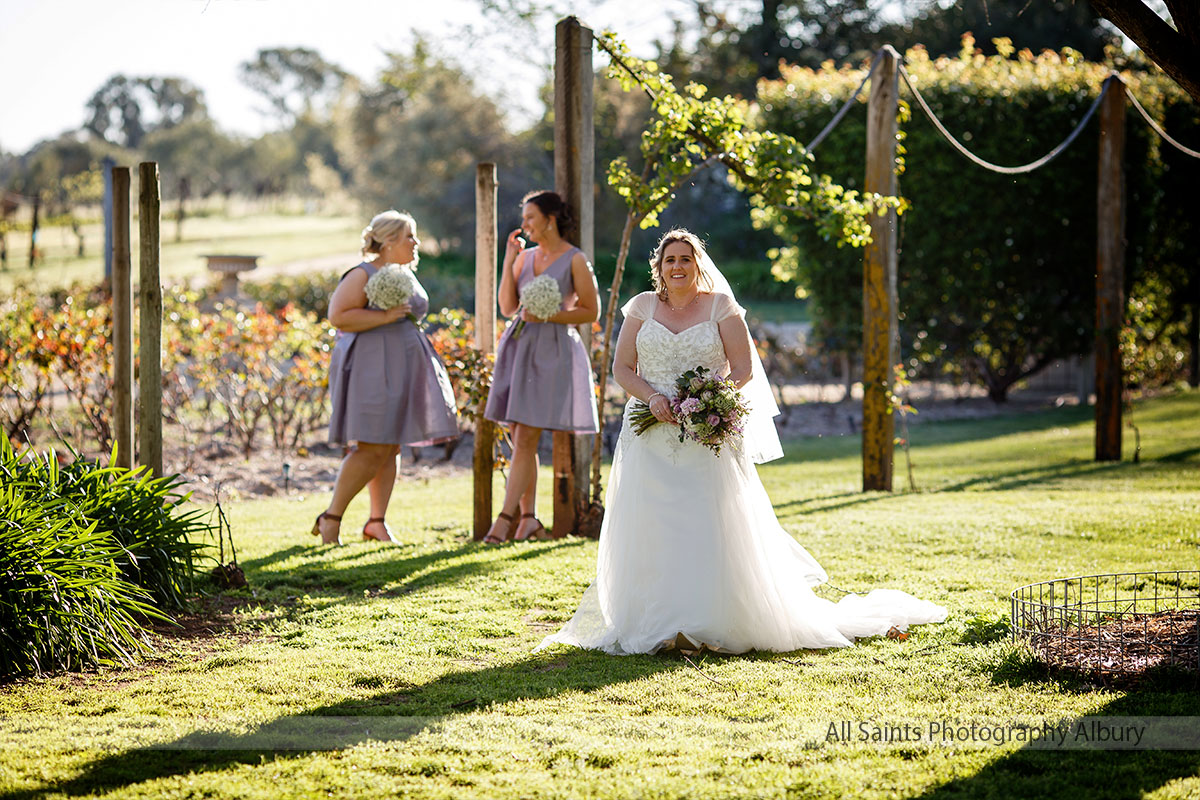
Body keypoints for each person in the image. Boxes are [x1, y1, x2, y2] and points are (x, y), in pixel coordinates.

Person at [537, 229, 946, 655]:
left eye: (686, 259)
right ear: (658, 266)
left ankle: (712, 621)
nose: (677, 266)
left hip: (705, 431)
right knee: (652, 520)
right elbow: (622, 367)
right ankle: (655, 621)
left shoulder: (721, 306)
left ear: (699, 265)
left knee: (708, 519)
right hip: (650, 429)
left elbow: (743, 368)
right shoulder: (641, 306)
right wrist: (654, 397)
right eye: (670, 259)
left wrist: (702, 401)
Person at [313, 210, 459, 545]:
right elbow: (338, 316)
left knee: (391, 444)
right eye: (410, 236)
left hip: (403, 366)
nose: (415, 243)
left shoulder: (402, 272)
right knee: (370, 446)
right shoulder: (362, 274)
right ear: (389, 241)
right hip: (371, 368)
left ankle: (376, 522)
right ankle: (331, 519)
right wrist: (384, 316)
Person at [482, 190, 601, 543]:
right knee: (522, 438)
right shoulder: (525, 258)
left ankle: (504, 520)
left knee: (527, 436)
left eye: (530, 217)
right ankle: (529, 519)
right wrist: (508, 261)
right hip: (519, 348)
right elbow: (507, 306)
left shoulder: (575, 260)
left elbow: (591, 311)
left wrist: (552, 314)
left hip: (553, 351)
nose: (524, 225)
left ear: (550, 219)